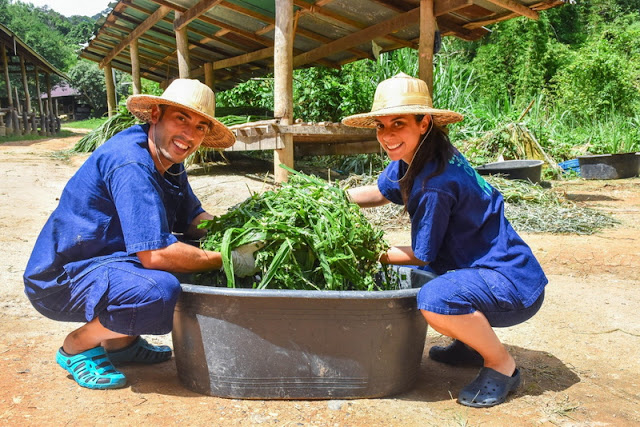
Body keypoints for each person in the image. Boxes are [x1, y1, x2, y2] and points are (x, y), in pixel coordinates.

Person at [23, 79, 260, 390]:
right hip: (62, 279)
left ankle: (122, 344)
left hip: (107, 262)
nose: (190, 135)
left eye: (201, 127)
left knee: (185, 255)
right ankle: (77, 345)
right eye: (181, 119)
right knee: (158, 288)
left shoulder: (169, 161)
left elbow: (194, 219)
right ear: (156, 114)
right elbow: (155, 255)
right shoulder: (130, 163)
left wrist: (236, 231)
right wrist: (227, 259)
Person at [342, 73, 547, 408]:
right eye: (380, 125)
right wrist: (333, 198)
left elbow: (422, 255)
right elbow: (380, 192)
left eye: (399, 123)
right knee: (441, 278)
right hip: (493, 269)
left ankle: (502, 367)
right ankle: (470, 344)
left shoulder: (434, 182)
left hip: (510, 283)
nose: (387, 135)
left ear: (424, 123)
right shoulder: (420, 155)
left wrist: (361, 253)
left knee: (433, 296)